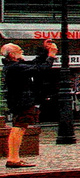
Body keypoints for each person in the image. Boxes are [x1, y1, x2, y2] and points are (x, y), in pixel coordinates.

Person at [2, 40, 57, 169]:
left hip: (20, 100)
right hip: (22, 101)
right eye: (19, 51)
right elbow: (40, 69)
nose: (22, 53)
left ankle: (14, 158)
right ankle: (13, 158)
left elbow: (35, 63)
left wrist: (44, 50)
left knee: (20, 127)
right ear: (12, 55)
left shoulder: (15, 65)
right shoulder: (15, 67)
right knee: (19, 128)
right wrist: (51, 55)